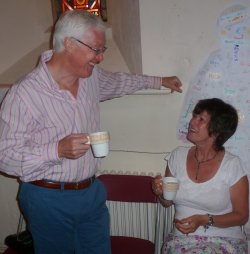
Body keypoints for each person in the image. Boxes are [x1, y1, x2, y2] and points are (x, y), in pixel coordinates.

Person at [0, 9, 182, 254]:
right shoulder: (25, 94)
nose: (100, 58)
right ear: (69, 44)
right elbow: (6, 156)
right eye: (96, 49)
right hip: (47, 197)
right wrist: (57, 149)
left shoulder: (90, 79)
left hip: (91, 193)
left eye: (102, 50)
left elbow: (119, 82)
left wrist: (159, 81)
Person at [152, 98, 249, 253]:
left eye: (201, 119)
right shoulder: (177, 156)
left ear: (216, 131)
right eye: (194, 116)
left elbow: (242, 216)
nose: (192, 122)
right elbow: (166, 202)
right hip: (181, 241)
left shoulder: (232, 165)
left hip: (225, 241)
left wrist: (204, 219)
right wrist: (160, 193)